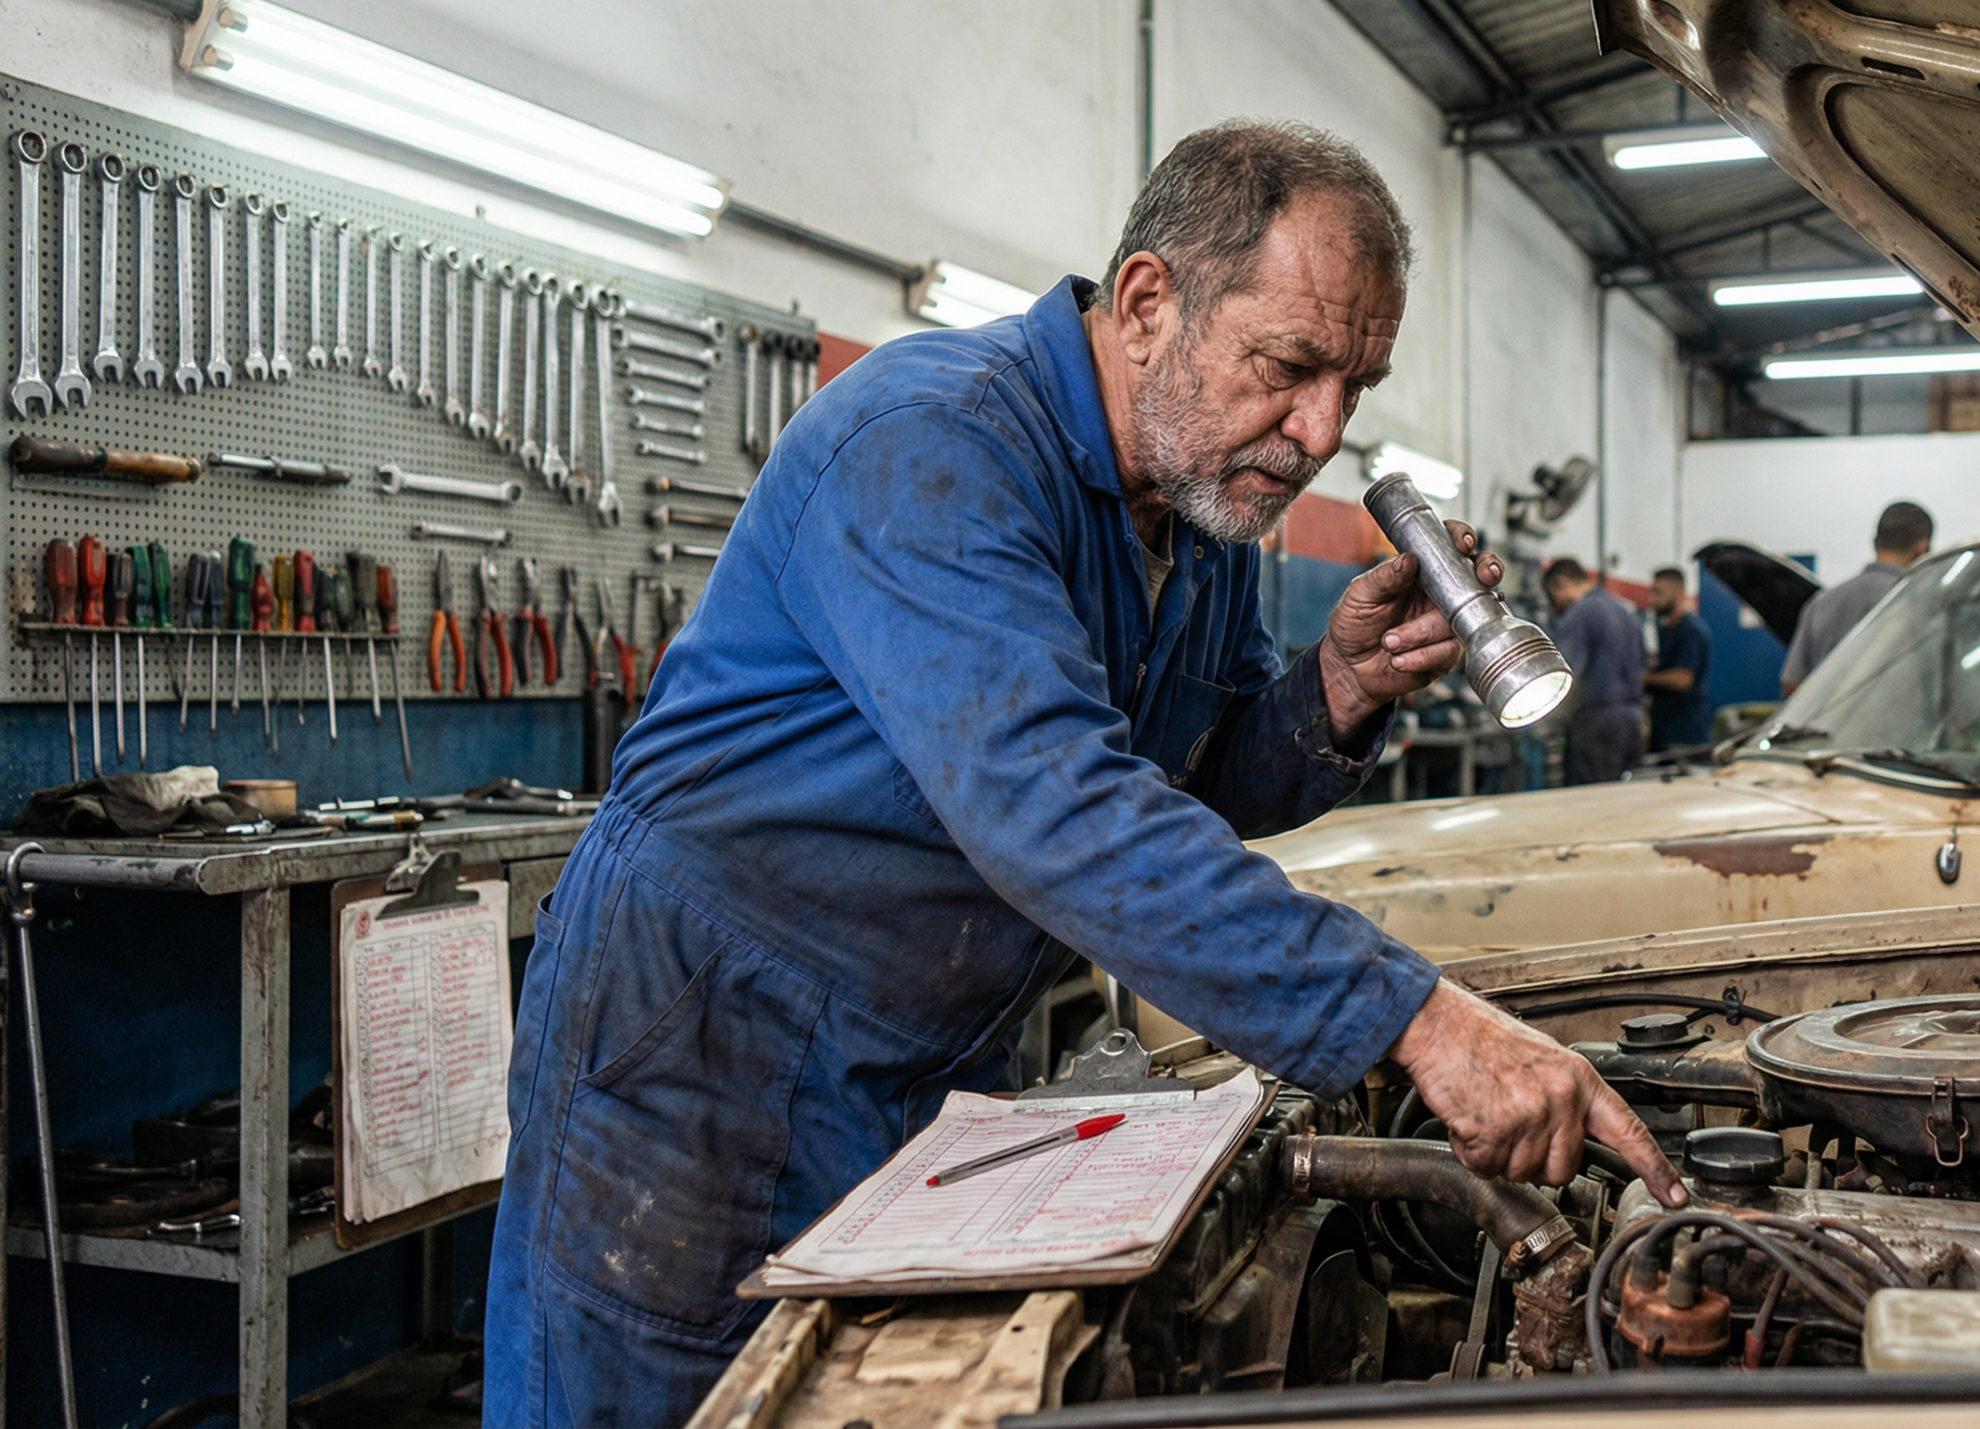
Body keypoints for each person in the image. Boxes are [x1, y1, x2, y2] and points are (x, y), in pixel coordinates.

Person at [484, 121, 1680, 1425]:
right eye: (1291, 365)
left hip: (919, 1054)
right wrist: (1415, 1016)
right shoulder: (929, 444)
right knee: (665, 1399)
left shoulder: (1206, 510)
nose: (1320, 429)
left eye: (1357, 386)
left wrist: (1334, 691)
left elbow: (1192, 780)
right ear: (1152, 302)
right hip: (698, 1050)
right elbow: (1062, 812)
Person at [1780, 500, 1932, 694]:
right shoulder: (1922, 603)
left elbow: (1791, 687)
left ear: (1875, 542)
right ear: (1922, 548)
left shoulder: (1821, 603)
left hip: (1824, 723)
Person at [1542, 557, 1646, 785]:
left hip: (1595, 726)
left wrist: (1545, 720)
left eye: (1552, 597)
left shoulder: (1580, 614)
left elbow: (1566, 676)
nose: (1553, 608)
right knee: (1624, 801)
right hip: (1632, 721)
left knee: (1588, 805)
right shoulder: (1626, 612)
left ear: (1563, 583)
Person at [1643, 566, 1713, 752]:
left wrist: (1643, 678)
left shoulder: (1690, 631)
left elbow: (1682, 679)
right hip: (1664, 732)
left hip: (1684, 735)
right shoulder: (1667, 631)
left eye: (1658, 593)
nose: (1652, 600)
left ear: (1678, 593)